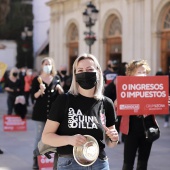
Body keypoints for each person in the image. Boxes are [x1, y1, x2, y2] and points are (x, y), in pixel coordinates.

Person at [42, 53, 119, 170]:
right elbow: (46, 137)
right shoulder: (64, 100)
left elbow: (111, 143)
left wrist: (114, 137)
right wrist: (69, 139)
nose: (85, 73)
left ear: (98, 72)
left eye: (89, 69)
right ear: (75, 74)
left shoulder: (106, 103)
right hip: (69, 163)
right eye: (80, 70)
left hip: (99, 163)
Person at [117, 60, 159, 170]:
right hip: (131, 130)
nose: (143, 74)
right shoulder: (126, 88)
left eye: (144, 72)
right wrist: (118, 102)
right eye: (139, 72)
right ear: (131, 74)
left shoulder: (151, 87)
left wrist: (164, 102)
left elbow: (159, 103)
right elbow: (117, 106)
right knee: (128, 163)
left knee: (143, 163)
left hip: (148, 128)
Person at [31, 57, 64, 169]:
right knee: (39, 137)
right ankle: (36, 160)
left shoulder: (56, 78)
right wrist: (40, 90)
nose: (47, 66)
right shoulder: (37, 79)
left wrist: (60, 89)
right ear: (42, 65)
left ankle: (52, 161)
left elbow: (62, 96)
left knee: (53, 137)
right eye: (45, 64)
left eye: (49, 64)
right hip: (39, 113)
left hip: (53, 115)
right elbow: (33, 96)